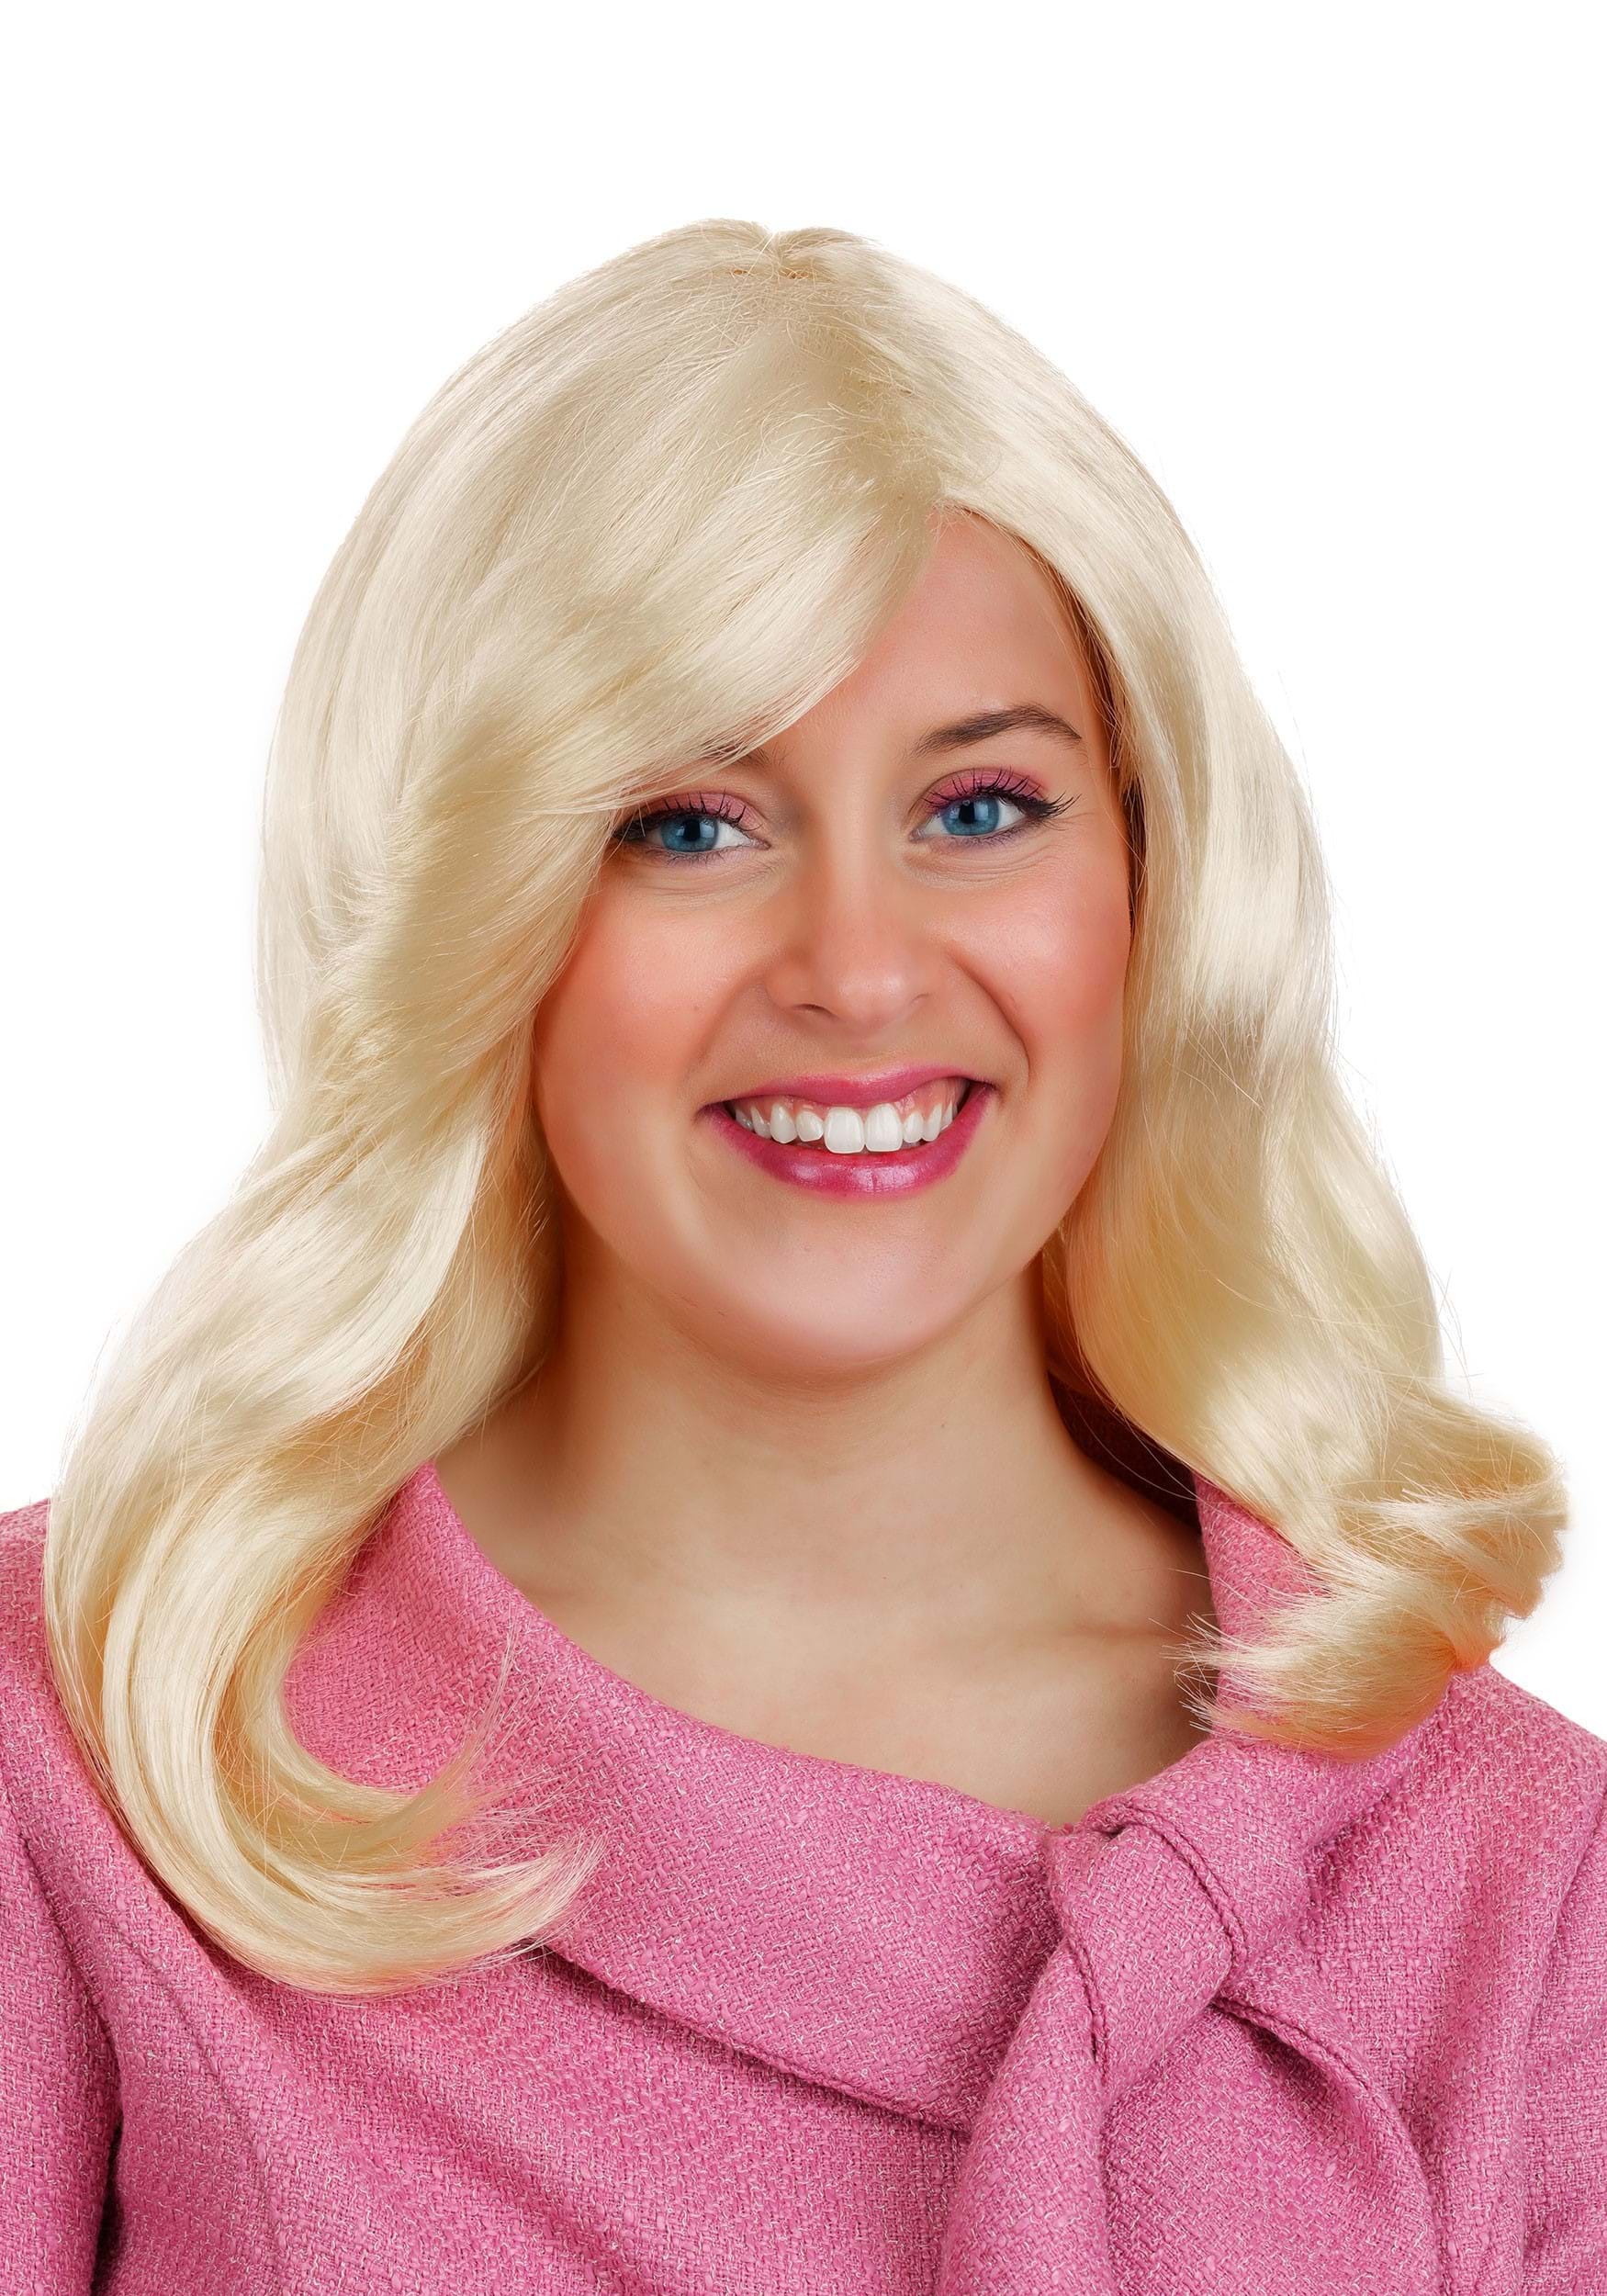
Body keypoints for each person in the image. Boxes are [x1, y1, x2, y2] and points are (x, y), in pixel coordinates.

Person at [1, 217, 1601, 2293]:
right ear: (474, 909)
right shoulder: (91, 1739)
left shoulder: (1513, 1881)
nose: (856, 968)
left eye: (980, 808)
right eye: (691, 824)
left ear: (1153, 873)